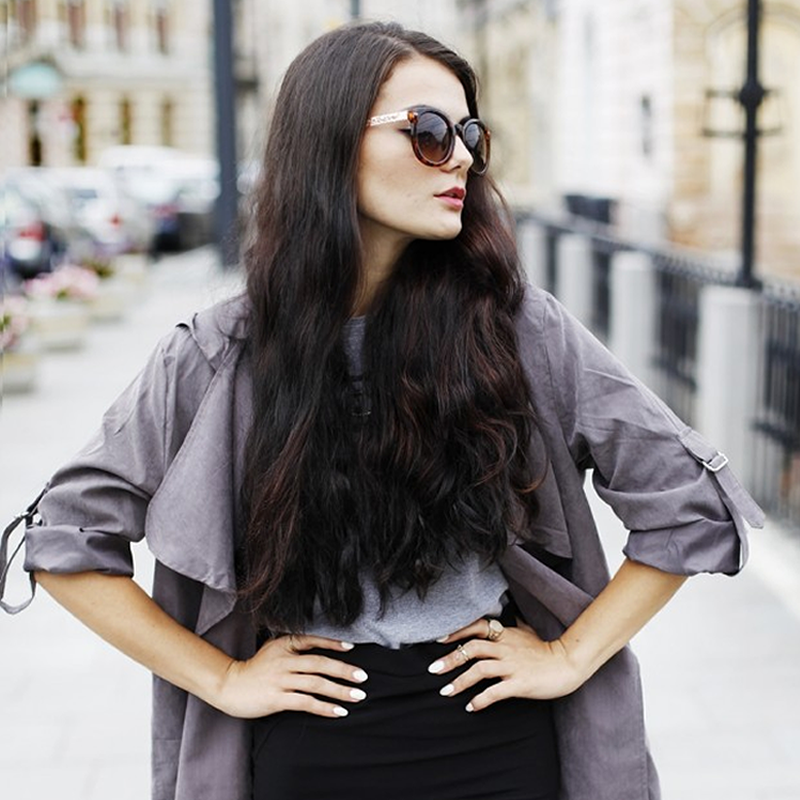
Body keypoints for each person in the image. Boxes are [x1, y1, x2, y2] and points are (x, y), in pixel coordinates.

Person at [1, 21, 763, 800]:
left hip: (499, 746)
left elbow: (689, 501)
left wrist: (571, 656)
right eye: (429, 132)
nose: (460, 156)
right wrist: (222, 677)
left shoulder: (518, 330)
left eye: (470, 134)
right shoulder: (220, 350)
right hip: (309, 753)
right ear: (330, 144)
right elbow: (66, 538)